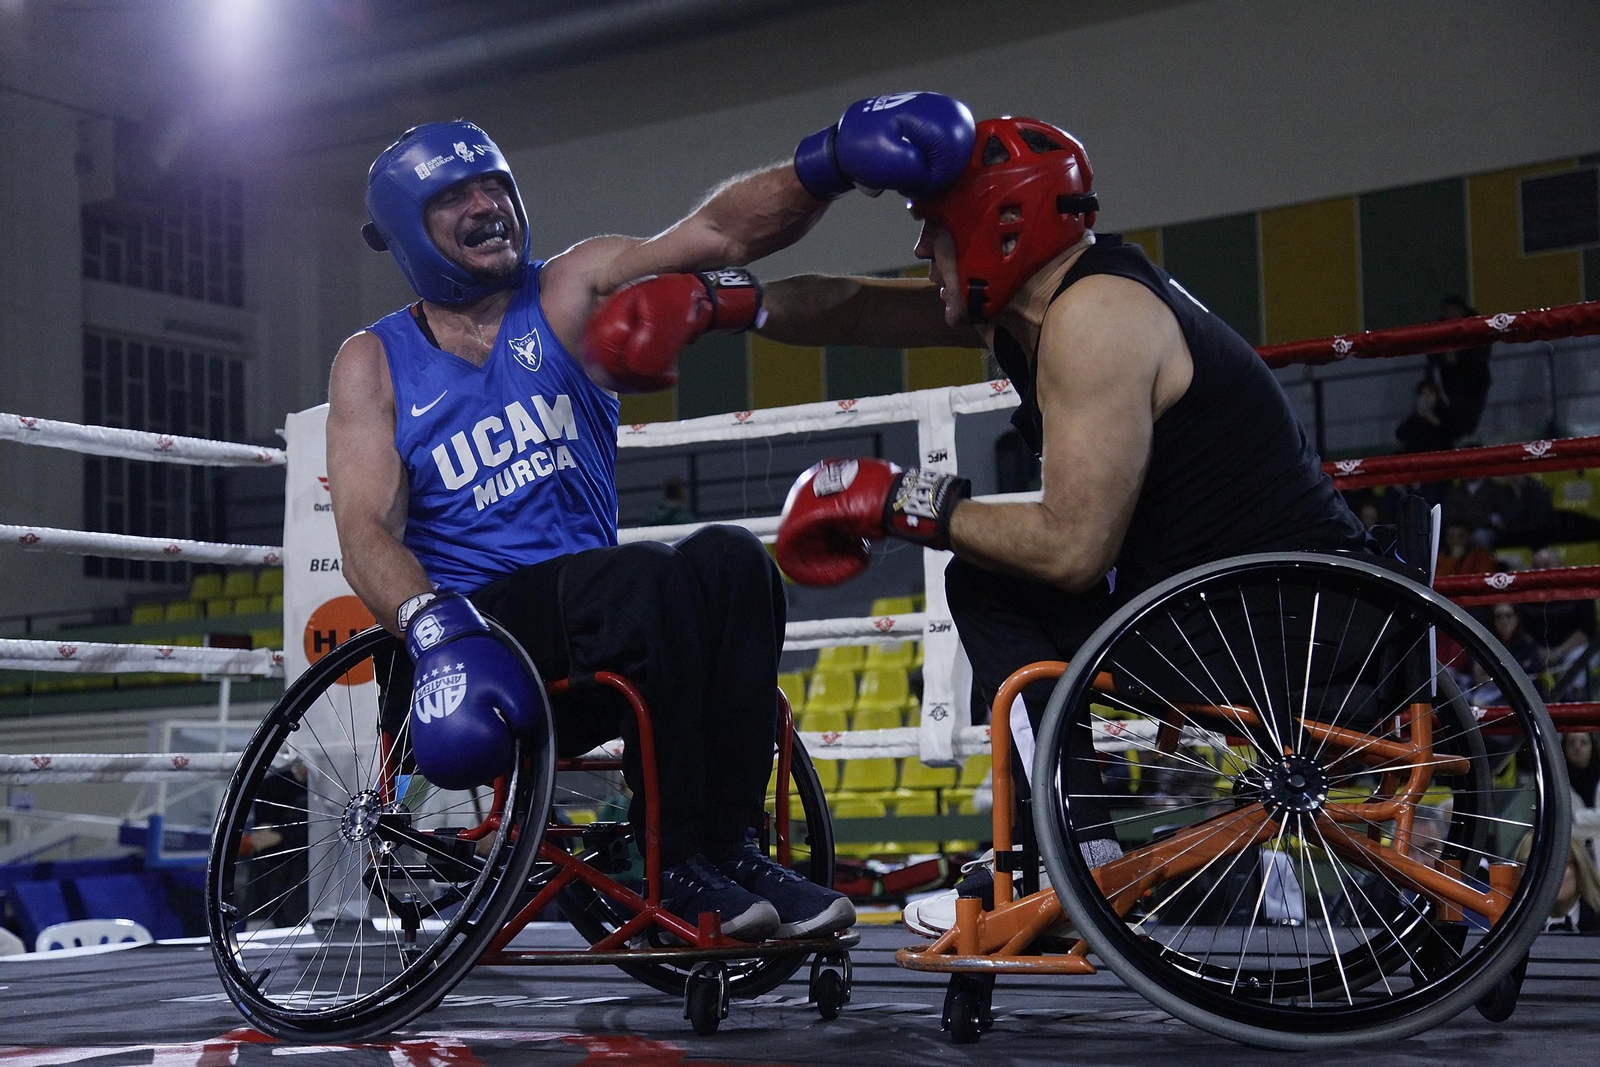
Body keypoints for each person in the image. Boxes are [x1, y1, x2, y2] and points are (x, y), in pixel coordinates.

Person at [326, 112, 993, 940]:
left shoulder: (565, 289)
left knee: (731, 559)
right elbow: (363, 533)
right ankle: (665, 858)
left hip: (605, 637)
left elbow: (715, 234)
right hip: (472, 646)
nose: (487, 204)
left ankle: (729, 848)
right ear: (406, 231)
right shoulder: (374, 360)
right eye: (456, 196)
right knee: (639, 578)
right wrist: (434, 629)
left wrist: (823, 165)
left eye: (495, 184)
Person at [741, 104, 1367, 933]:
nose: (920, 250)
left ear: (995, 227)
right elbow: (855, 309)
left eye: (934, 229)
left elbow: (1072, 550)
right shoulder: (1040, 305)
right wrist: (727, 306)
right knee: (991, 576)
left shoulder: (1095, 319)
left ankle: (1072, 857)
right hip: (1245, 611)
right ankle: (1081, 852)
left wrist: (902, 501)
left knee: (994, 580)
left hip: (1285, 632)